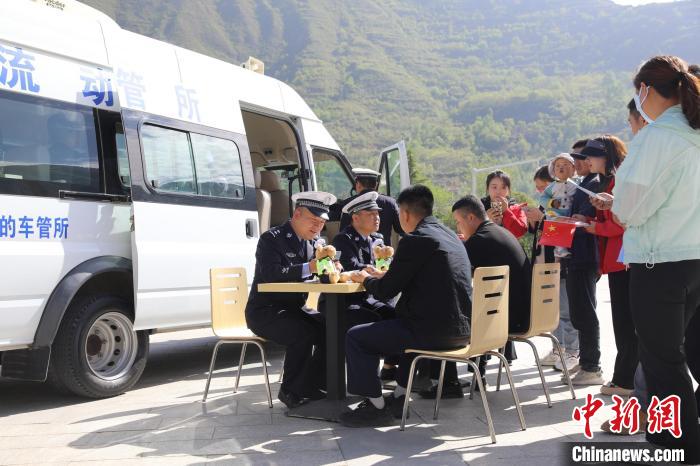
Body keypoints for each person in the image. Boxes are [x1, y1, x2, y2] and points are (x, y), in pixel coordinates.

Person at [609, 56, 700, 462]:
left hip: (659, 263)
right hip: (695, 257)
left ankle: (679, 449)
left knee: (663, 362)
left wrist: (619, 207)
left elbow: (629, 208)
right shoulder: (693, 132)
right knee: (690, 353)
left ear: (645, 90)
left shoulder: (658, 136)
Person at [339, 185, 472, 427]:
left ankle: (376, 407)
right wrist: (384, 276)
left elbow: (386, 291)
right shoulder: (449, 235)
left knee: (356, 337)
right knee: (401, 328)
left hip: (431, 333)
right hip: (464, 332)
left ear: (405, 213)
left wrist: (366, 279)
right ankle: (400, 398)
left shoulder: (416, 240)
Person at [419, 195, 532, 400]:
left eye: (458, 222)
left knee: (440, 312)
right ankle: (460, 377)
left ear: (471, 218)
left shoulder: (480, 240)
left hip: (506, 320)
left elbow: (448, 271)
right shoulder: (502, 233)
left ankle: (446, 382)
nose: (458, 227)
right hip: (524, 315)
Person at [245, 191, 337, 409]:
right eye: (313, 220)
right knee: (301, 333)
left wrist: (331, 268)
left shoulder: (312, 243)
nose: (318, 227)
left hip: (295, 308)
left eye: (322, 223)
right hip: (266, 311)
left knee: (331, 328)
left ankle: (316, 383)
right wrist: (310, 267)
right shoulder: (271, 239)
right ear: (297, 214)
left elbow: (317, 273)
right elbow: (271, 274)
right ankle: (290, 390)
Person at [323, 191, 399, 379]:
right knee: (371, 321)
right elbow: (349, 268)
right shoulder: (344, 239)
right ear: (355, 218)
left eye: (378, 213)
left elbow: (383, 265)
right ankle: (366, 382)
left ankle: (390, 367)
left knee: (398, 316)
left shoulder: (377, 239)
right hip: (345, 302)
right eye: (371, 214)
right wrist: (371, 270)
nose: (377, 218)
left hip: (367, 298)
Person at [581, 135, 635, 398]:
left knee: (625, 324)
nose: (587, 160)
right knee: (623, 323)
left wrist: (596, 227)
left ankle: (625, 379)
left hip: (623, 260)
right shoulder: (608, 182)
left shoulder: (618, 181)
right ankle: (626, 377)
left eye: (591, 155)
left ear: (606, 156)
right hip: (617, 260)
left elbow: (622, 222)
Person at [526, 162, 579, 372]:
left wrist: (542, 219)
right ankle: (559, 348)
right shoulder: (546, 203)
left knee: (566, 310)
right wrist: (534, 222)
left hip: (560, 263)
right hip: (546, 263)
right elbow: (541, 232)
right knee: (554, 311)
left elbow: (559, 230)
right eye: (538, 188)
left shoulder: (564, 202)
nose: (540, 191)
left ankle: (572, 351)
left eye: (543, 187)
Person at [564, 139, 602, 385]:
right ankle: (586, 359)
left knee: (585, 311)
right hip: (577, 255)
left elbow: (589, 219)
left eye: (581, 158)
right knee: (579, 310)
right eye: (576, 158)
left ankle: (591, 366)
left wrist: (577, 220)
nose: (577, 163)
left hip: (585, 256)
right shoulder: (584, 183)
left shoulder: (594, 185)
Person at [333, 168, 404, 246]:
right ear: (376, 185)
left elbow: (344, 232)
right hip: (384, 251)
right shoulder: (390, 203)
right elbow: (401, 229)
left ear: (358, 185)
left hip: (355, 250)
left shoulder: (350, 204)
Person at [539, 153, 579, 258]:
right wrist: (551, 202)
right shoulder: (552, 187)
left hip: (570, 212)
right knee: (557, 226)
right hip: (555, 212)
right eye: (558, 166)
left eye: (565, 164)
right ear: (553, 170)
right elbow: (542, 198)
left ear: (573, 168)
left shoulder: (577, 184)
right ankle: (559, 250)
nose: (561, 167)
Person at [480, 170, 528, 239]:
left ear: (508, 190)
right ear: (488, 189)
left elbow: (520, 232)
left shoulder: (516, 208)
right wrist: (486, 220)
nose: (498, 191)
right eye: (494, 187)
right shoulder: (479, 208)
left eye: (503, 187)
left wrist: (506, 211)